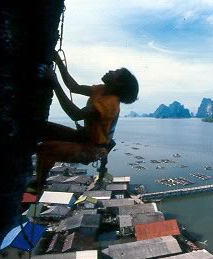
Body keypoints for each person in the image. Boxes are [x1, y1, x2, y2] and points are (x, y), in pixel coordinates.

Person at [36, 51, 139, 185]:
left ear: (119, 83)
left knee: (45, 150)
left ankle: (33, 192)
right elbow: (74, 87)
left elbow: (75, 114)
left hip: (92, 150)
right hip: (84, 138)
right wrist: (59, 62)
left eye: (115, 72)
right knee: (40, 127)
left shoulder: (110, 103)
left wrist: (54, 82)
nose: (110, 71)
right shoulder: (102, 89)